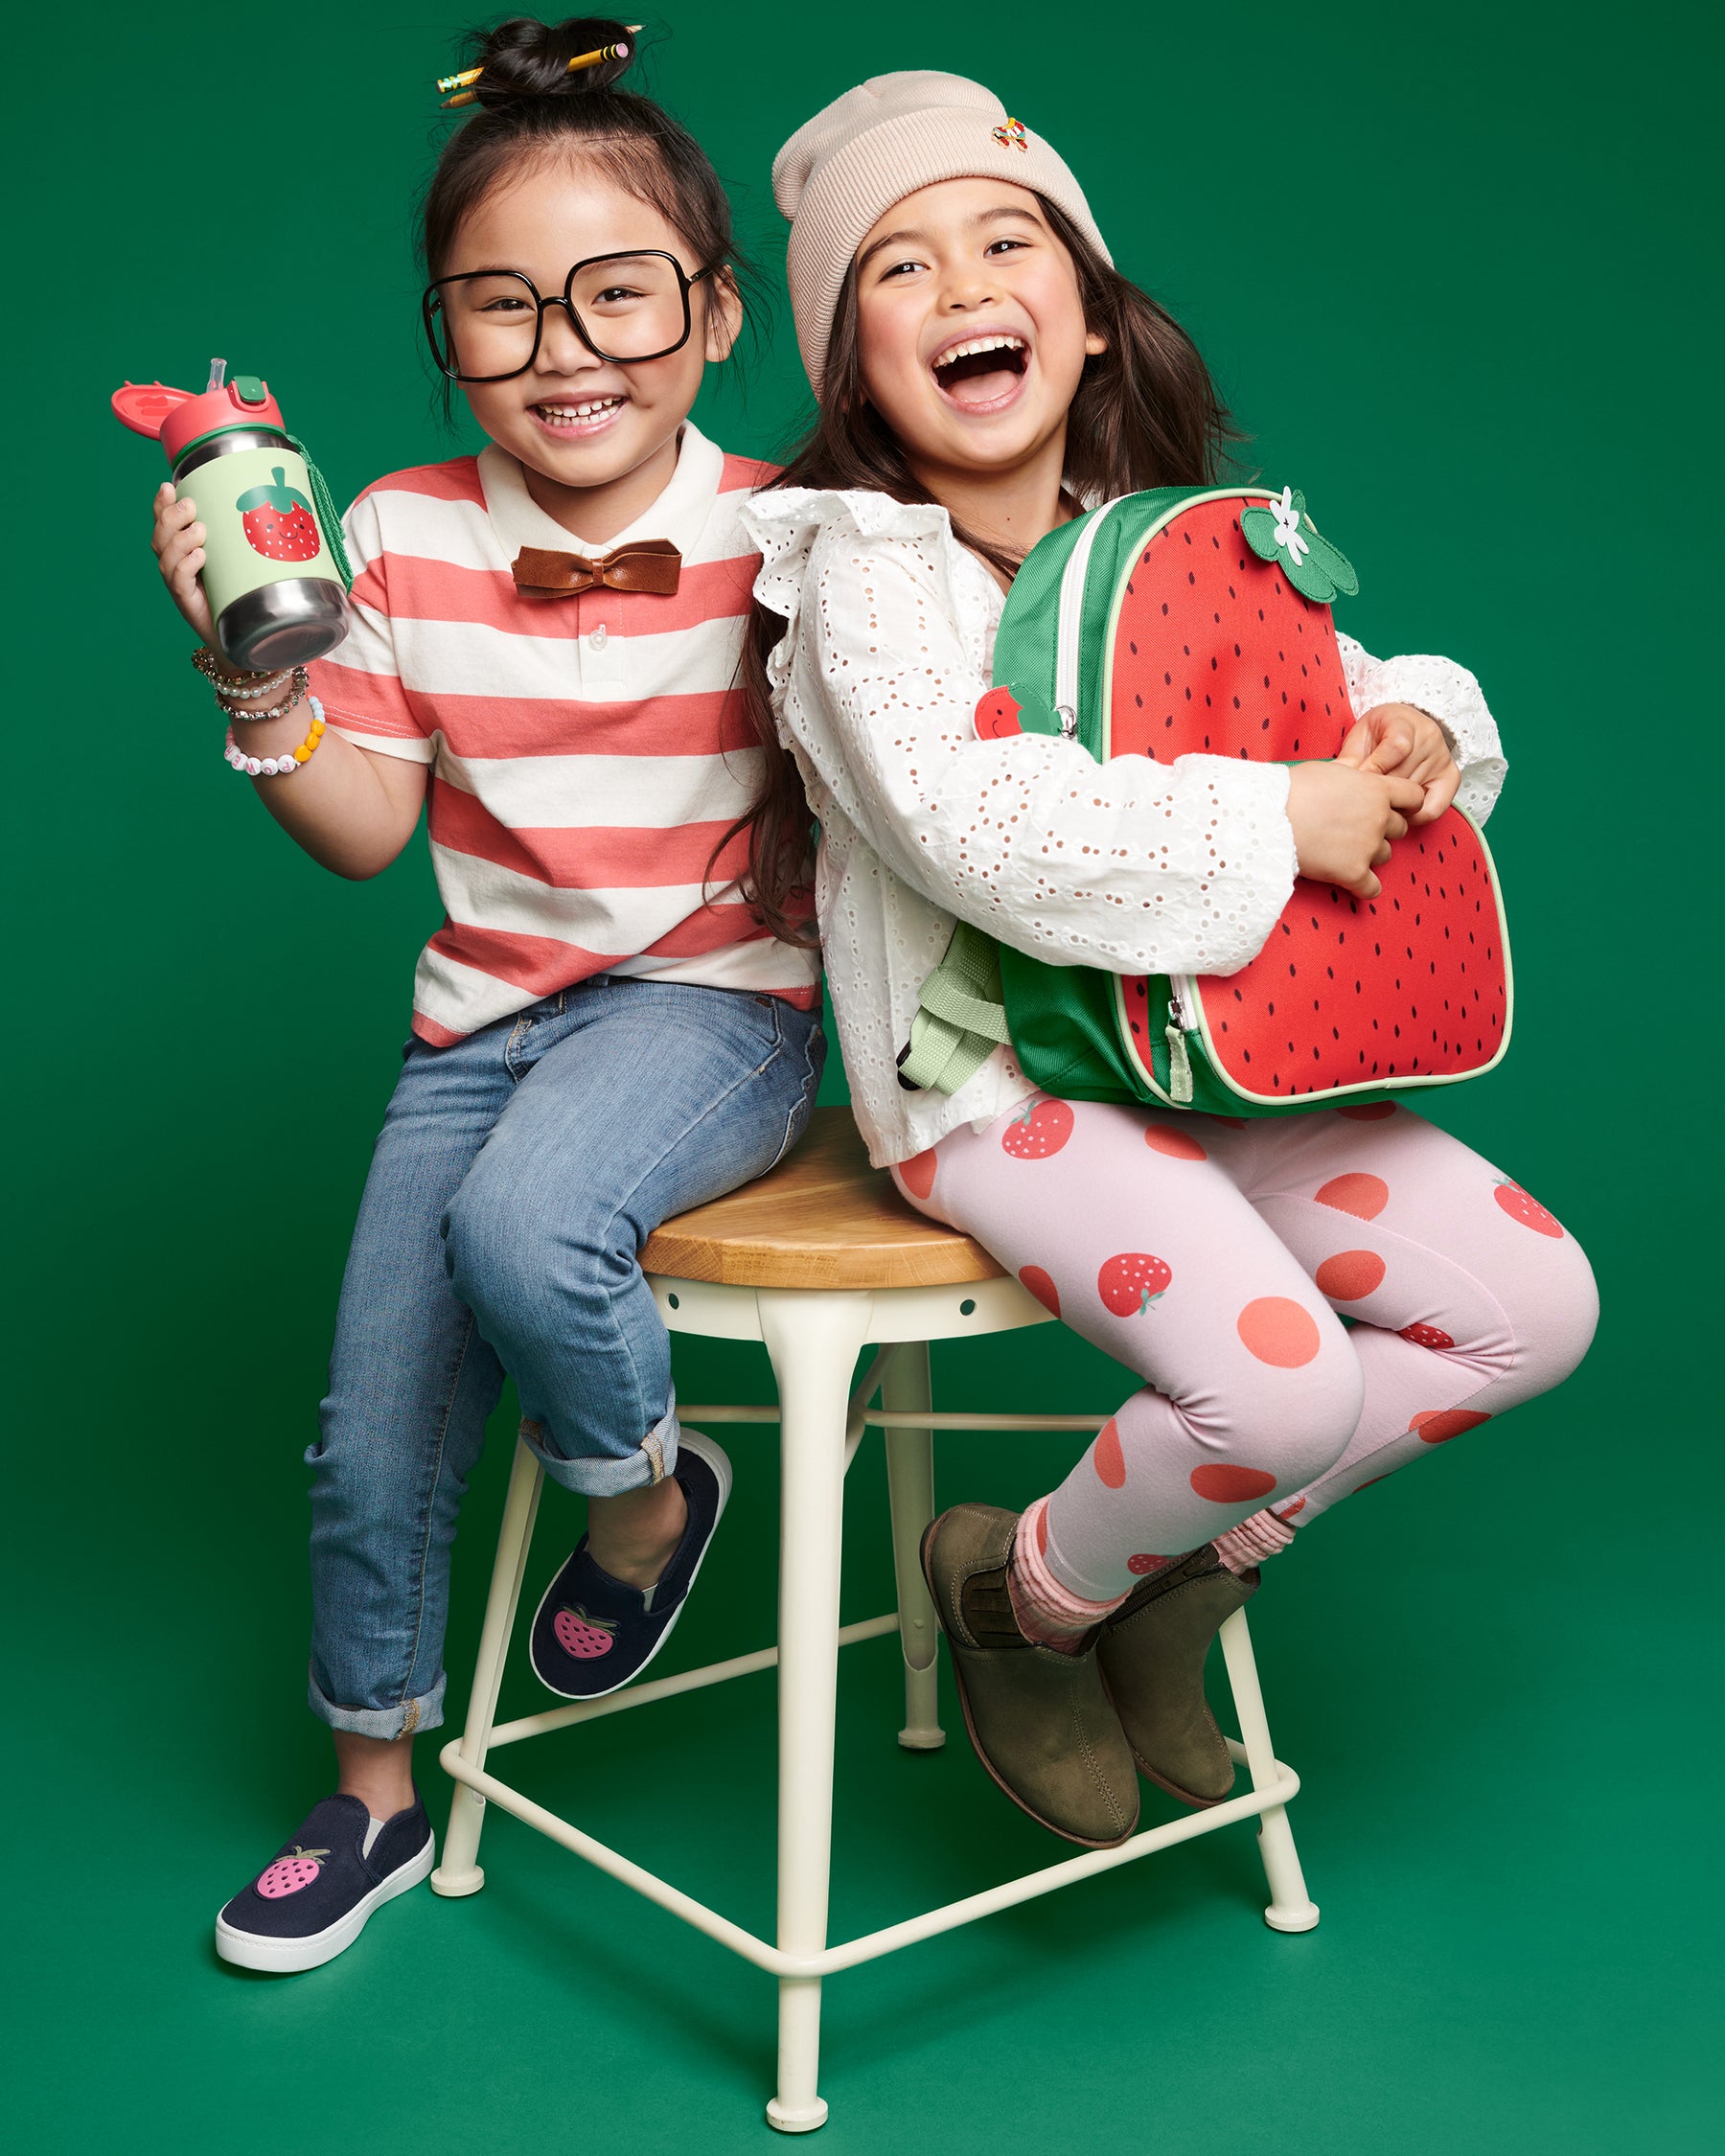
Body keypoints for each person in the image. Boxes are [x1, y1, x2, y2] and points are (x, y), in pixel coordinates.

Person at [740, 72, 1597, 1850]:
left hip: (1214, 1049)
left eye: (1007, 240)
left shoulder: (1166, 538)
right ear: (853, 365)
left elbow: (1349, 688)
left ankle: (1163, 1578)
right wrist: (1277, 815)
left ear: (1088, 311)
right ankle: (1020, 1603)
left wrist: (1415, 732)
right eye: (900, 267)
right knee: (1287, 1383)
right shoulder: (861, 577)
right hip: (997, 1088)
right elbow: (972, 821)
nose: (964, 284)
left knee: (1535, 1306)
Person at [150, 17, 823, 1971]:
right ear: (444, 332)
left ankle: (641, 1511)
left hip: (717, 1006)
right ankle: (371, 1787)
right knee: (369, 1431)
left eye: (619, 292)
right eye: (502, 304)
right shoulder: (400, 531)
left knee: (532, 1228)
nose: (564, 347)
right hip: (482, 1021)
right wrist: (261, 679)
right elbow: (367, 833)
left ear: (714, 312)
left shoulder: (792, 530)